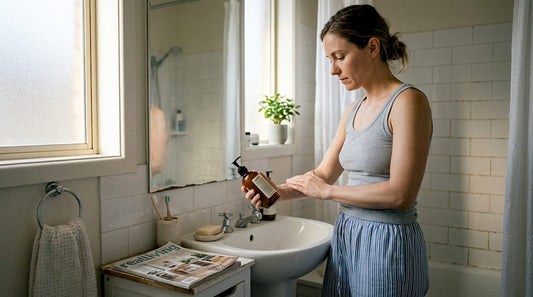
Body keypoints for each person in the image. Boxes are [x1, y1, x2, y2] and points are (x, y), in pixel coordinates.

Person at [242, 4, 432, 297]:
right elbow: (323, 174)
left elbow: (400, 194)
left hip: (388, 242)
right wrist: (276, 193)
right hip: (347, 235)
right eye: (329, 59)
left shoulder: (408, 103)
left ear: (371, 47)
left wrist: (327, 192)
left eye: (340, 57)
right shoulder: (352, 110)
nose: (333, 70)